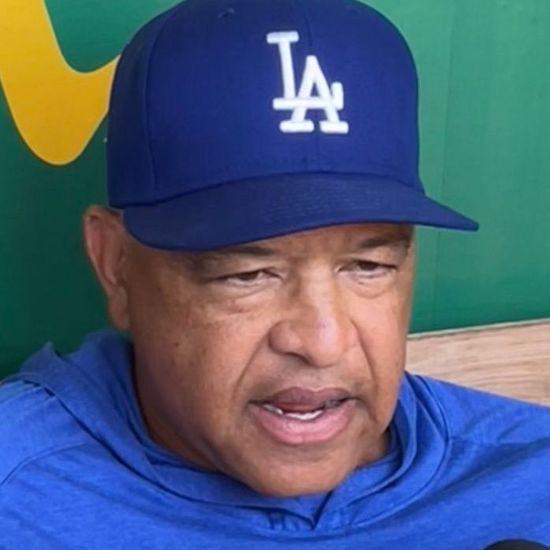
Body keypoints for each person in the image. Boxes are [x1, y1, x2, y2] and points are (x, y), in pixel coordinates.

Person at [1, 0, 549, 547]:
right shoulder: (18, 495)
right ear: (116, 266)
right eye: (248, 274)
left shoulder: (532, 476)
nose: (323, 343)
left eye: (368, 266)